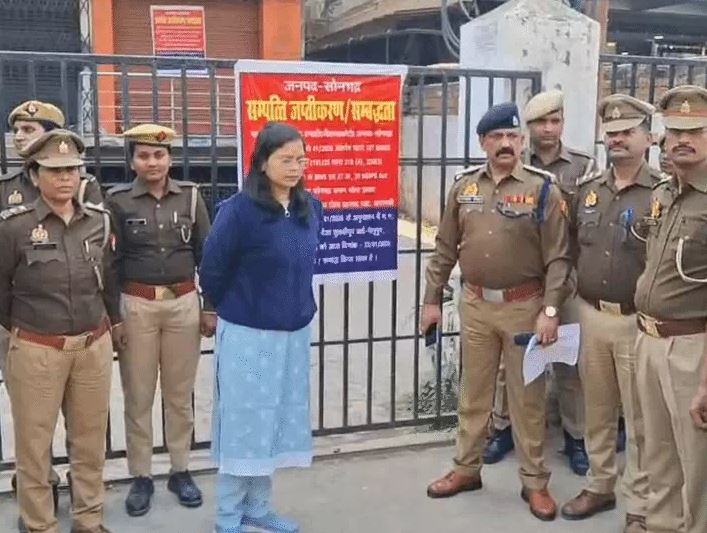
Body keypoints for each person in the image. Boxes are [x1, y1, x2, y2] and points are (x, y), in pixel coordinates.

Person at [423, 103, 573, 521]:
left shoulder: (543, 189)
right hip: (475, 306)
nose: (505, 144)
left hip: (525, 308)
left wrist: (550, 309)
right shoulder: (464, 187)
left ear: (522, 141)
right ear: (483, 143)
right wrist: (431, 300)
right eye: (496, 137)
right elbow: (444, 248)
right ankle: (465, 469)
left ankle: (535, 482)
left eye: (512, 136)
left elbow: (559, 258)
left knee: (528, 400)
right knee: (473, 394)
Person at [200, 122, 323, 533]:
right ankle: (228, 516)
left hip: (293, 334)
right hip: (248, 336)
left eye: (301, 159)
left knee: (271, 423)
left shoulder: (311, 208)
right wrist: (238, 305)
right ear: (262, 162)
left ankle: (258, 507)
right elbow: (213, 270)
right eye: (285, 159)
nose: (295, 167)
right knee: (244, 424)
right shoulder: (238, 211)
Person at [0, 130, 120, 533]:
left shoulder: (98, 220)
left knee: (90, 441)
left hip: (92, 346)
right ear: (35, 176)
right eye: (54, 170)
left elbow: (108, 279)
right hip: (38, 348)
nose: (65, 177)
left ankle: (89, 520)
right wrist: (26, 332)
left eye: (71, 169)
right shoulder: (13, 227)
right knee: (34, 447)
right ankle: (40, 525)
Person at [560, 94, 660, 533]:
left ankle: (640, 505)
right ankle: (600, 485)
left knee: (640, 421)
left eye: (627, 132)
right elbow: (567, 250)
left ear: (648, 138)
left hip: (638, 323)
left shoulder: (662, 193)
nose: (617, 139)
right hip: (592, 316)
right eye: (612, 133)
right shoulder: (588, 191)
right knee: (597, 410)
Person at [106, 124, 216, 517]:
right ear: (132, 161)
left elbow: (207, 253)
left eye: (159, 155)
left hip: (183, 304)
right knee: (138, 395)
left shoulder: (190, 196)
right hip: (137, 305)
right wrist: (113, 318)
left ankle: (180, 470)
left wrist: (210, 306)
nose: (152, 162)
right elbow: (109, 263)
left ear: (170, 158)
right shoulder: (117, 201)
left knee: (179, 394)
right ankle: (141, 475)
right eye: (143, 155)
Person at [484, 90, 593, 474]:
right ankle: (503, 428)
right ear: (527, 129)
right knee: (509, 363)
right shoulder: (513, 161)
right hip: (523, 282)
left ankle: (575, 437)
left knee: (567, 362)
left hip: (565, 280)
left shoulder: (582, 166)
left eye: (555, 121)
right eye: (540, 122)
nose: (548, 129)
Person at [634, 85, 707, 533]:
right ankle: (661, 525)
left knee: (697, 463)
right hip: (649, 340)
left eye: (695, 130)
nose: (683, 139)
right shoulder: (665, 192)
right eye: (675, 130)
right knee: (657, 453)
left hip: (692, 349)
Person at [1, 100, 103, 211]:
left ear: (52, 133)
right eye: (16, 131)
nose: (18, 137)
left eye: (28, 130)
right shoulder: (6, 186)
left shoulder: (82, 186)